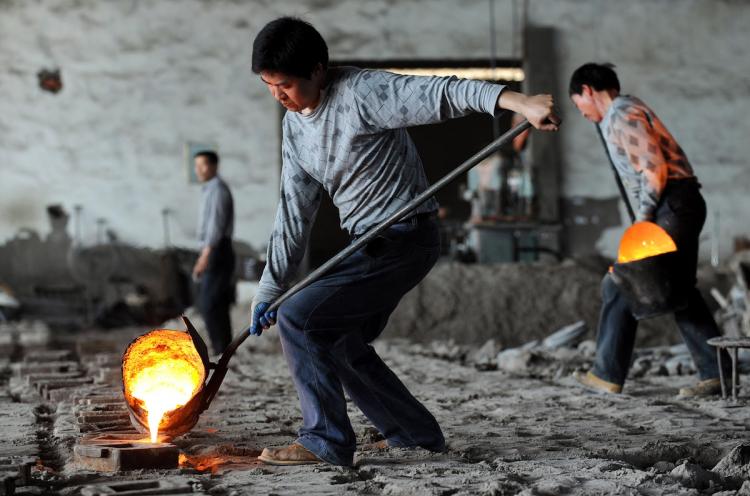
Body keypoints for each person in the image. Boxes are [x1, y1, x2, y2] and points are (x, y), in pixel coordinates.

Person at [249, 17, 559, 467]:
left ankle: (325, 440)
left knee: (301, 319)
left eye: (286, 85)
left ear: (317, 69)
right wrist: (269, 287)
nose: (278, 96)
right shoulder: (296, 127)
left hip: (403, 236)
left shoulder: (363, 94)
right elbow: (293, 212)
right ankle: (414, 433)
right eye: (268, 86)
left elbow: (443, 92)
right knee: (338, 336)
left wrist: (520, 101)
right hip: (366, 242)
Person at [568, 63, 728, 397]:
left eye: (577, 104)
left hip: (671, 205)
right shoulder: (628, 109)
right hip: (678, 204)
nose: (581, 114)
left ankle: (607, 374)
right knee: (679, 290)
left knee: (621, 280)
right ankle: (717, 374)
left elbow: (654, 169)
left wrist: (643, 220)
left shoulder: (621, 114)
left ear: (586, 91)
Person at [193, 150, 235, 355]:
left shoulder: (218, 190)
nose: (199, 170)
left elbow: (215, 228)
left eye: (203, 165)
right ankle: (224, 349)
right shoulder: (209, 189)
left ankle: (221, 350)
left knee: (209, 303)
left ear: (214, 166)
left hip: (217, 250)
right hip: (212, 250)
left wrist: (204, 256)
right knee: (217, 303)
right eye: (196, 165)